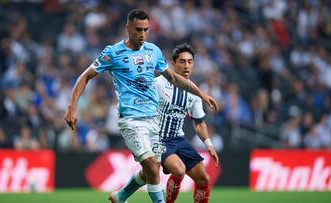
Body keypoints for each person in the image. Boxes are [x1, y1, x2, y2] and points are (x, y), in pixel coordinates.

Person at [63, 9, 219, 203]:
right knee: (153, 167)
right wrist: (71, 107)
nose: (143, 34)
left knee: (149, 171)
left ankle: (120, 197)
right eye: (138, 29)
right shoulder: (113, 52)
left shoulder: (153, 51)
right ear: (127, 28)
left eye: (146, 30)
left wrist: (201, 94)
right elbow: (85, 76)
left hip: (153, 121)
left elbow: (174, 78)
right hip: (131, 120)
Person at [113, 43, 220, 203]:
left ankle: (120, 196)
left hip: (178, 138)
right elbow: (137, 107)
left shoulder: (194, 91)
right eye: (182, 61)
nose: (186, 66)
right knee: (178, 170)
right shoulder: (157, 84)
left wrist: (208, 144)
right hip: (157, 138)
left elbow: (198, 122)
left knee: (203, 178)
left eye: (190, 62)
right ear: (173, 63)